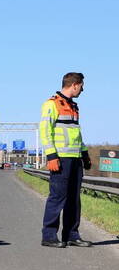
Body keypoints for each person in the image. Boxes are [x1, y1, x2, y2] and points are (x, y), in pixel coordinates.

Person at [40, 72, 92, 247]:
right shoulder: (51, 104)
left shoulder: (73, 107)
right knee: (57, 197)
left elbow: (77, 134)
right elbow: (45, 131)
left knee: (74, 199)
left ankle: (71, 235)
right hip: (61, 159)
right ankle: (48, 236)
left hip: (75, 159)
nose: (83, 89)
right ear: (74, 85)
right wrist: (51, 156)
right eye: (82, 86)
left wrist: (84, 154)